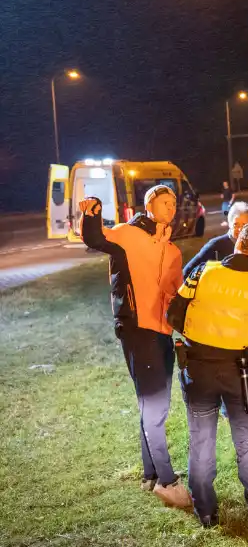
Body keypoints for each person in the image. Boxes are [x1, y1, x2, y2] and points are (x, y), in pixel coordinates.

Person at [79, 186, 190, 508]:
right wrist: (92, 214)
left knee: (155, 405)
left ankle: (150, 474)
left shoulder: (172, 251)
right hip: (136, 327)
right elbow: (96, 239)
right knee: (154, 407)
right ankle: (168, 482)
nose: (171, 207)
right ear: (149, 205)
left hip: (162, 331)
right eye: (164, 202)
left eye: (173, 203)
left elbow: (175, 295)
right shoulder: (127, 235)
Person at [166, 222, 248, 528]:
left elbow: (173, 313)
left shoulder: (203, 271)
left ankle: (205, 513)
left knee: (201, 442)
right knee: (247, 444)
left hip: (197, 369)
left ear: (237, 243)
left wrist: (196, 336)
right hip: (239, 375)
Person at [184, 202, 248, 307]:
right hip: (224, 308)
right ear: (229, 223)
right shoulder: (215, 246)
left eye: (245, 225)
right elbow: (187, 271)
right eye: (236, 224)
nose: (240, 230)